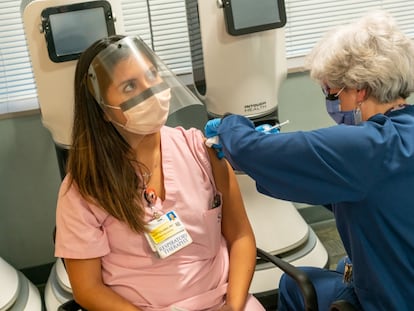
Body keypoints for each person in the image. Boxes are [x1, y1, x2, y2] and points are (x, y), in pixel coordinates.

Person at [204, 11, 414, 311]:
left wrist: (228, 124)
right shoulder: (402, 131)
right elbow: (369, 194)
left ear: (359, 91)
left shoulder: (367, 147)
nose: (331, 103)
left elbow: (252, 151)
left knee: (294, 287)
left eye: (331, 93)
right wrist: (302, 165)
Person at [54, 34, 265, 311]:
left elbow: (240, 237)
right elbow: (88, 288)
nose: (150, 91)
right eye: (130, 86)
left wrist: (233, 307)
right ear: (102, 108)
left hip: (222, 302)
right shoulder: (84, 189)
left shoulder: (202, 151)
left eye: (152, 75)